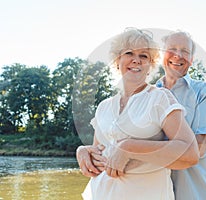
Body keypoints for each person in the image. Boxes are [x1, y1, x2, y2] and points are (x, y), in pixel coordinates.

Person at [77, 28, 199, 200]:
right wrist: (83, 152)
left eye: (144, 56)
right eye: (129, 53)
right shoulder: (103, 107)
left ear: (150, 65)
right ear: (117, 60)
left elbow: (190, 154)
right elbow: (99, 154)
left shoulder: (160, 98)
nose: (136, 60)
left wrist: (129, 148)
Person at [157, 31, 206, 200]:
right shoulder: (147, 95)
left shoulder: (205, 92)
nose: (178, 55)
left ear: (192, 59)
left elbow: (197, 149)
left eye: (185, 51)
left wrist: (134, 154)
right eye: (172, 49)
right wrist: (86, 150)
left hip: (196, 194)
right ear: (161, 55)